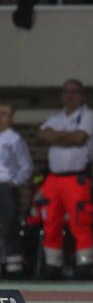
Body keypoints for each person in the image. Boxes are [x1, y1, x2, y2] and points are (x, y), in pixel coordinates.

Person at [35, 79, 93, 277]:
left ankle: (84, 263)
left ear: (82, 95)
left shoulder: (87, 116)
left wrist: (56, 137)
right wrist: (66, 137)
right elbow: (41, 135)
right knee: (50, 220)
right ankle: (53, 264)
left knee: (80, 220)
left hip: (76, 179)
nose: (70, 96)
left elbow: (79, 138)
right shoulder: (56, 116)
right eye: (66, 92)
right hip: (53, 179)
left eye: (75, 92)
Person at [0, 101, 32, 276]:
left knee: (9, 225)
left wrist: (15, 182)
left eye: (4, 114)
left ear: (11, 118)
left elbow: (26, 166)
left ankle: (13, 266)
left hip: (5, 187)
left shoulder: (14, 139)